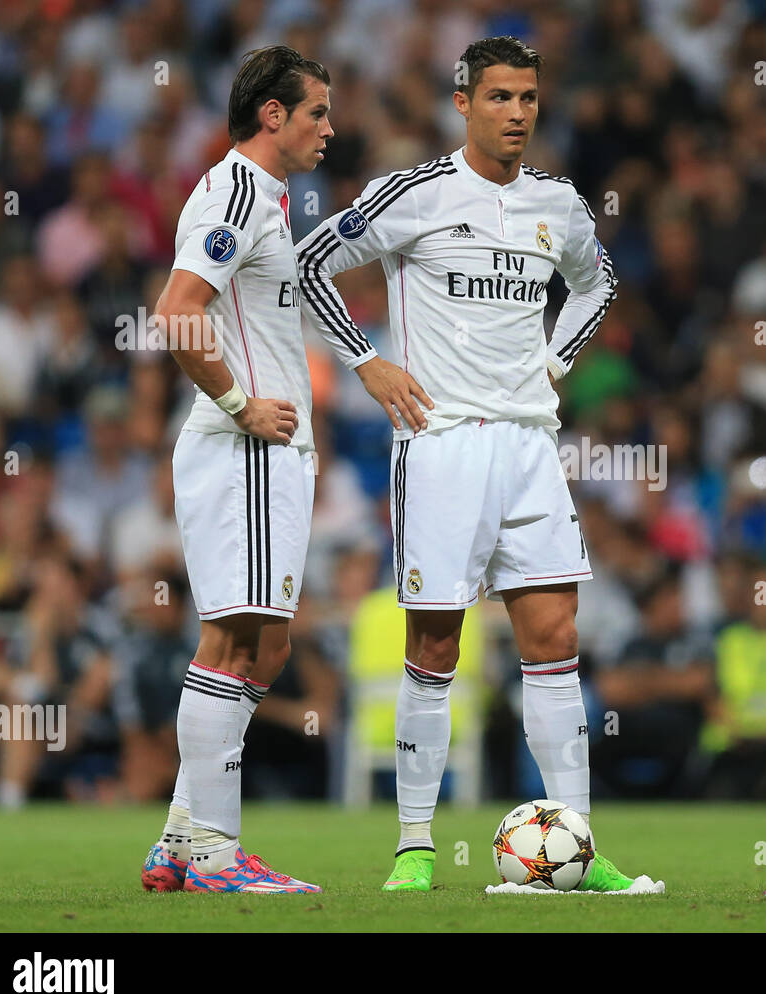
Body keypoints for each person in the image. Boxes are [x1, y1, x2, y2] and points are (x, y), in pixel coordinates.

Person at [297, 36, 657, 893]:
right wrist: (366, 361)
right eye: (499, 97)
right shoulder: (414, 193)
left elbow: (598, 280)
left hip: (532, 444)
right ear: (463, 104)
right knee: (433, 643)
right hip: (442, 442)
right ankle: (416, 847)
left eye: (528, 98)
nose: (517, 113)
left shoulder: (559, 203)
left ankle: (578, 841)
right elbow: (311, 261)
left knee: (555, 641)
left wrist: (557, 361)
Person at [140, 45, 418, 895]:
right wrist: (241, 408)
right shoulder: (231, 190)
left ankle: (181, 837)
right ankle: (217, 852)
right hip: (245, 448)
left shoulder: (265, 198)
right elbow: (178, 314)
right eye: (317, 113)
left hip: (272, 452)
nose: (330, 128)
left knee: (269, 641)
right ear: (272, 114)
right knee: (232, 639)